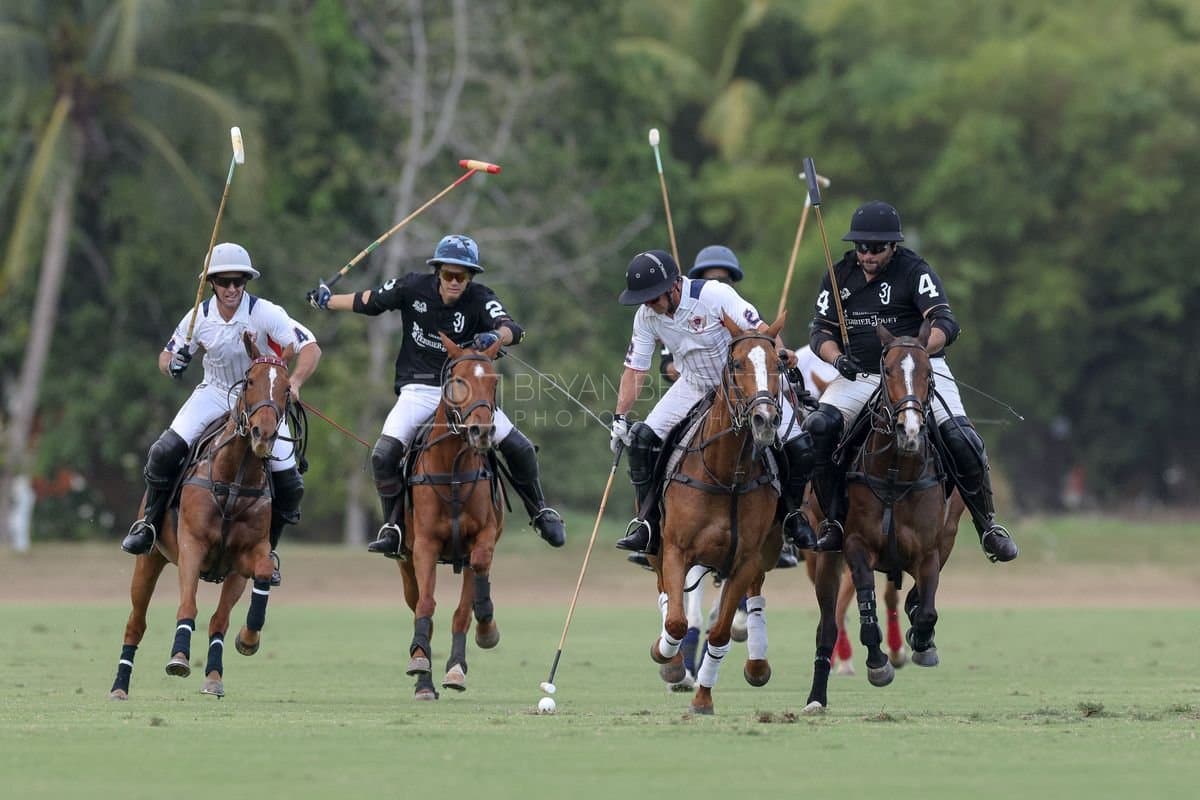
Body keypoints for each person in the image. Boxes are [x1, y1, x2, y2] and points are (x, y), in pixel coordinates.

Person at [306, 234, 565, 554]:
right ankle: (394, 527)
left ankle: (539, 511)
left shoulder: (481, 298)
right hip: (419, 389)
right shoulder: (412, 287)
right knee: (384, 455)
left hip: (466, 392)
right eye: (449, 275)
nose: (456, 282)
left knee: (520, 448)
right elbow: (369, 301)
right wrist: (327, 300)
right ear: (437, 271)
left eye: (463, 276)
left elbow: (514, 329)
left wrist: (494, 335)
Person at [801, 201, 1017, 563]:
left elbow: (944, 322)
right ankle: (834, 521)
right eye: (862, 247)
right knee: (818, 428)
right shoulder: (838, 275)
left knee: (963, 439)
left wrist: (917, 351)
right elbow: (820, 331)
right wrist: (836, 358)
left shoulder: (914, 271)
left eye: (876, 248)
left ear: (893, 247)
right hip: (863, 374)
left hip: (917, 371)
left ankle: (988, 525)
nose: (867, 255)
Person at [121, 243, 319, 586]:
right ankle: (149, 525)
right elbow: (165, 357)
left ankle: (267, 549)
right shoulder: (198, 317)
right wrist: (176, 364)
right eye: (224, 281)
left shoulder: (265, 312)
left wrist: (296, 381)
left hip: (262, 402)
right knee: (162, 452)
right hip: (214, 394)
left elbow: (310, 347)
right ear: (212, 282)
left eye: (238, 281)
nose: (232, 289)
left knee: (290, 481)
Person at [609, 248, 816, 554]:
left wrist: (780, 353)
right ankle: (648, 523)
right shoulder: (647, 317)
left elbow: (761, 330)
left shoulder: (715, 295)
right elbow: (635, 369)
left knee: (799, 447)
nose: (649, 304)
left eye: (653, 296)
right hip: (693, 383)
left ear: (674, 286)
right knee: (641, 440)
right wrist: (620, 417)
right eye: (644, 299)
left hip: (743, 386)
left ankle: (791, 516)